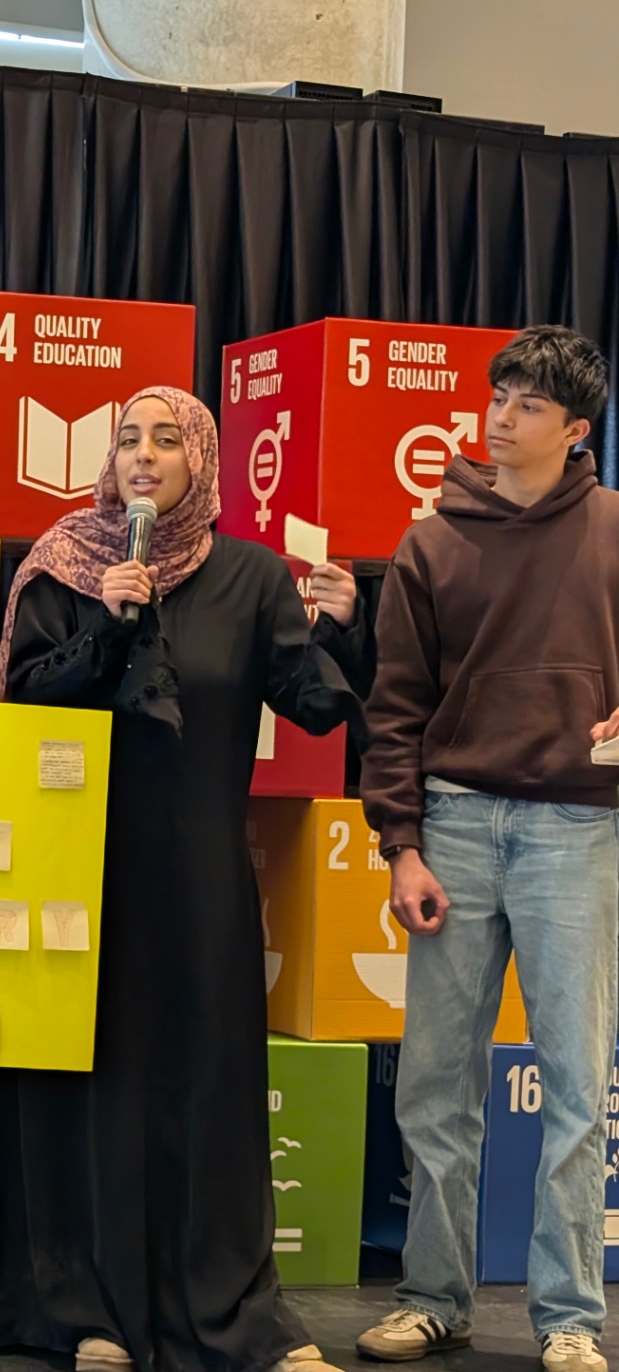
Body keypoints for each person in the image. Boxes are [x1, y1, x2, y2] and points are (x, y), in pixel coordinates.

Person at [0, 387, 370, 1372]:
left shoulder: (252, 576)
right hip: (77, 877)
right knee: (84, 1087)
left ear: (200, 460)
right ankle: (84, 1310)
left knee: (206, 1088)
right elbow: (25, 705)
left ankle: (232, 1314)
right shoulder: (66, 565)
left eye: (166, 439)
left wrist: (345, 627)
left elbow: (310, 705)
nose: (144, 456)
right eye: (128, 439)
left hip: (199, 880)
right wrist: (108, 625)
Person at [355, 326, 619, 1372]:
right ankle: (434, 1296)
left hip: (579, 826)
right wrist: (400, 846)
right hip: (454, 823)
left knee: (574, 1080)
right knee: (433, 1085)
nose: (499, 415)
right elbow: (395, 710)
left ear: (576, 430)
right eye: (497, 395)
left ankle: (569, 1319)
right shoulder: (432, 542)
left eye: (526, 404)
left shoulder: (611, 532)